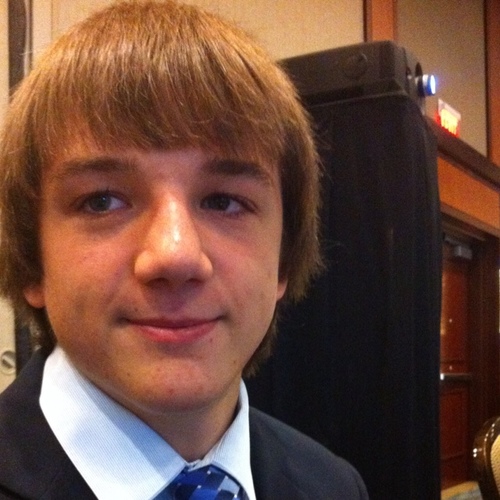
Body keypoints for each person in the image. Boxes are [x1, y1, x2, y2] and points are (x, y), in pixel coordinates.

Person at [0, 1, 369, 499]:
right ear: (32, 260)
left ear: (282, 260)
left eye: (223, 201)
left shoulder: (334, 486)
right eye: (102, 200)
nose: (175, 255)